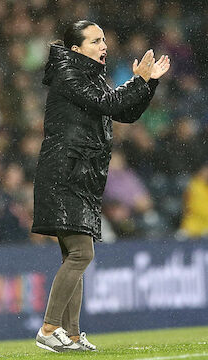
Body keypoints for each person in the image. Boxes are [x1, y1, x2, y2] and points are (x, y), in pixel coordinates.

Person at [31, 20, 169, 352]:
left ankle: (73, 334)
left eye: (104, 39)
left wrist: (146, 85)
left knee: (73, 255)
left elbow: (125, 114)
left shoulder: (87, 76)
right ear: (76, 50)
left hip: (79, 175)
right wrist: (139, 80)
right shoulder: (70, 74)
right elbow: (110, 104)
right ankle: (49, 328)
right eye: (95, 41)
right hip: (66, 175)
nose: (103, 45)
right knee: (81, 253)